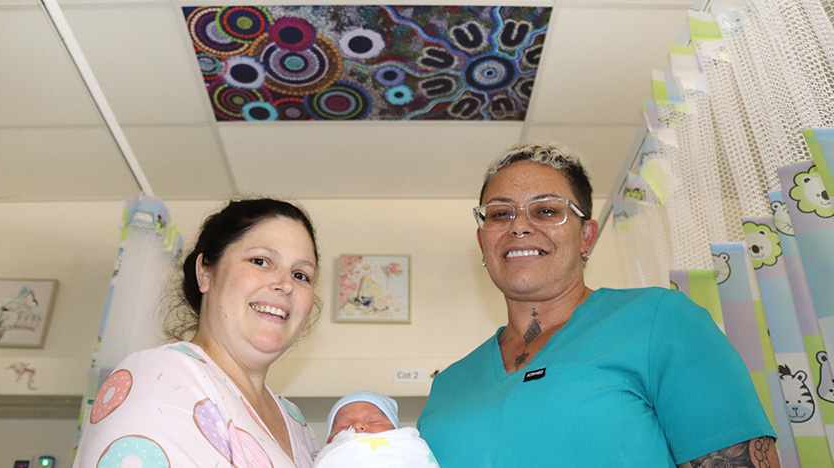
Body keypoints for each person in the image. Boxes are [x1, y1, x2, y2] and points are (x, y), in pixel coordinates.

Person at [417, 143, 779, 467]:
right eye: (500, 213)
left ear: (586, 236)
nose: (519, 226)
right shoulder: (449, 385)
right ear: (483, 242)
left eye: (545, 211)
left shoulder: (660, 321)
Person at [74, 199, 322, 467]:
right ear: (205, 273)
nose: (286, 284)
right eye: (260, 261)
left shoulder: (296, 422)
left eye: (300, 275)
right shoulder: (164, 377)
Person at [314, 391, 439, 468]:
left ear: (396, 430)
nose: (357, 425)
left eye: (374, 421)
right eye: (344, 425)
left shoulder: (409, 444)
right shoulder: (330, 455)